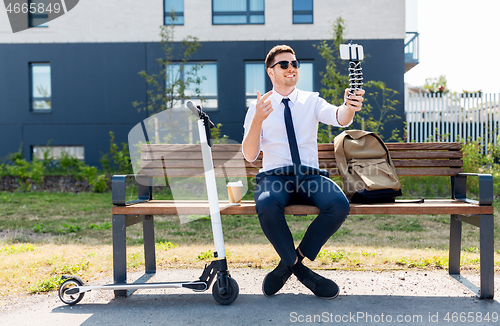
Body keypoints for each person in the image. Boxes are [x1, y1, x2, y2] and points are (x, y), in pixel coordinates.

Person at [242, 45, 364, 299]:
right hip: (275, 177)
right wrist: (257, 121)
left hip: (309, 176)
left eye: (295, 64)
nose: (291, 68)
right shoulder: (259, 107)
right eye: (284, 64)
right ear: (270, 72)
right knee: (266, 204)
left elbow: (339, 116)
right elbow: (250, 155)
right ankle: (302, 273)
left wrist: (349, 106)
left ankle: (289, 264)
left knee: (339, 204)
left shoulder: (311, 101)